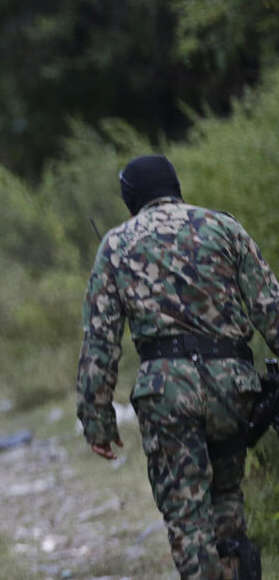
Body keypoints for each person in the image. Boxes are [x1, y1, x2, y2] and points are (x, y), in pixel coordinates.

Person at [77, 155, 275, 579]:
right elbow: (270, 310)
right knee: (226, 495)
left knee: (187, 511)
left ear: (131, 196)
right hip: (232, 386)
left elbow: (100, 340)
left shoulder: (116, 244)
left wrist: (97, 418)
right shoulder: (224, 227)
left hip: (167, 392)